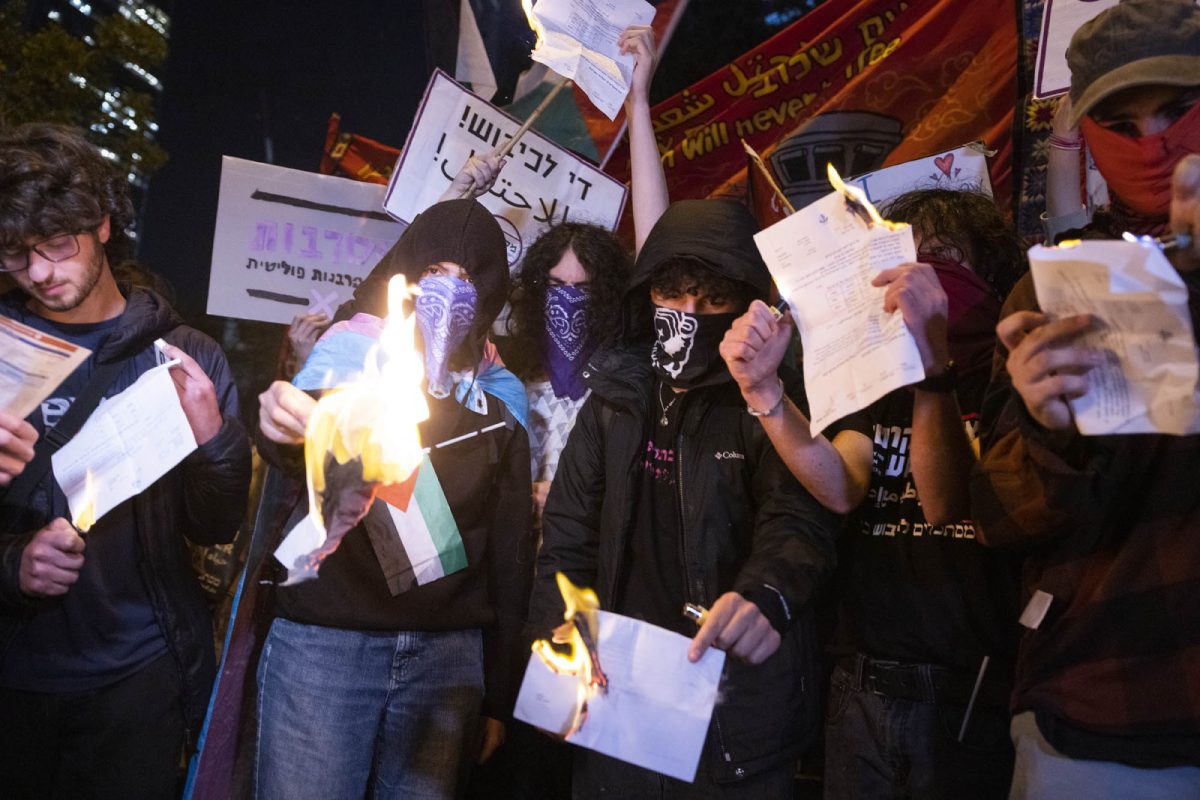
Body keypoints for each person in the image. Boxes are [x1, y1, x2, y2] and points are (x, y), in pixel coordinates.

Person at [720, 189, 1027, 799]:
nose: (917, 277)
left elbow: (944, 502)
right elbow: (840, 485)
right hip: (861, 685)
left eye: (942, 260)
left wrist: (933, 367)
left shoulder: (1007, 381)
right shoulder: (873, 382)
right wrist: (764, 393)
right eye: (906, 256)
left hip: (971, 693)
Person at [530, 196, 840, 797]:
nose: (688, 315)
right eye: (671, 295)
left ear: (746, 303)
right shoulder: (615, 398)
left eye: (712, 300)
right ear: (645, 294)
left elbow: (799, 518)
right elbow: (567, 538)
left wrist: (766, 595)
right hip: (617, 697)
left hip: (731, 711)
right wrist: (556, 642)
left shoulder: (772, 399)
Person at [251, 197, 534, 800]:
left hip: (447, 660)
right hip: (327, 644)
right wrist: (282, 425)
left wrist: (500, 693)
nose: (447, 291)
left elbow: (510, 556)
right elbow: (298, 440)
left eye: (466, 279)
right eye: (433, 271)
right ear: (407, 273)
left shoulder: (502, 402)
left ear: (489, 294)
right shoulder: (351, 356)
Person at [0, 123, 251, 798]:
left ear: (104, 223)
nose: (40, 272)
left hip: (139, 679)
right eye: (16, 252)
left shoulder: (186, 355)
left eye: (57, 242)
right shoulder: (2, 345)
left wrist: (214, 439)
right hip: (14, 677)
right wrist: (12, 564)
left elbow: (215, 524)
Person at [973, 134, 1200, 800]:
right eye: (1123, 124)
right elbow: (997, 515)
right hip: (1108, 708)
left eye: (1175, 111)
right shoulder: (1060, 286)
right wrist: (1049, 426)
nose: (1154, 144)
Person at [1041, 0, 1200, 242]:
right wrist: (1064, 137)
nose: (1150, 151)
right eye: (1123, 127)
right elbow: (1067, 244)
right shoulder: (1099, 255)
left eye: (1177, 113)